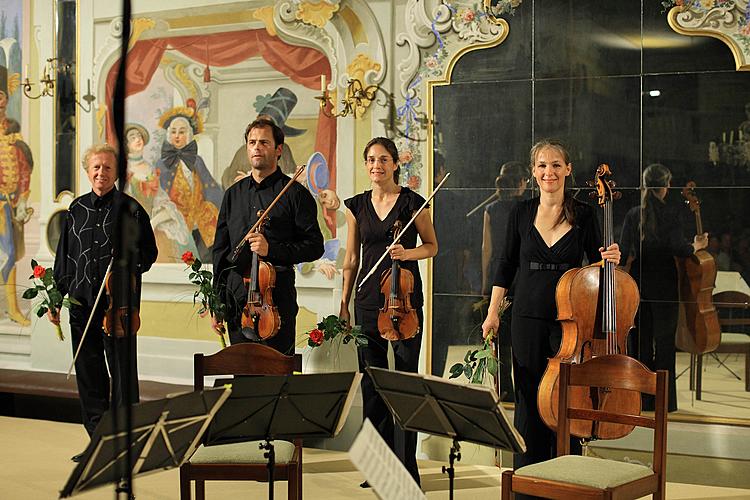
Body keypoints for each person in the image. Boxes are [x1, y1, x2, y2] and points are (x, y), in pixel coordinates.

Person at [481, 139, 621, 476]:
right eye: (542, 166)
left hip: (569, 321)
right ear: (533, 172)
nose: (549, 172)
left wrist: (611, 259)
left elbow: (598, 264)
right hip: (526, 317)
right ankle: (527, 479)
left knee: (564, 398)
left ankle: (564, 476)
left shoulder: (584, 214)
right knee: (529, 398)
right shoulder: (521, 212)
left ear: (568, 169)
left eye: (556, 165)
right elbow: (505, 265)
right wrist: (492, 312)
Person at [339, 137, 438, 487]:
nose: (376, 165)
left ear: (395, 164)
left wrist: (406, 255)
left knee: (407, 382)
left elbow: (432, 246)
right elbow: (351, 259)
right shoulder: (355, 206)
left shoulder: (413, 203)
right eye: (370, 159)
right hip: (368, 301)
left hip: (405, 302)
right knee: (373, 383)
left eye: (383, 159)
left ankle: (407, 468)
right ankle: (378, 467)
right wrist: (344, 302)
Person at [48, 144, 158, 458]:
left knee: (123, 376)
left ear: (117, 172)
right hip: (82, 306)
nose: (101, 173)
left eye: (107, 168)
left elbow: (148, 256)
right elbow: (64, 262)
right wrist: (56, 300)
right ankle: (99, 443)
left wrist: (126, 259)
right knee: (88, 374)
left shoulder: (132, 209)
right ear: (88, 171)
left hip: (119, 308)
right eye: (96, 168)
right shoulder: (76, 210)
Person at [212, 118, 323, 355]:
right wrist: (217, 302)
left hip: (276, 299)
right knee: (242, 373)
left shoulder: (295, 194)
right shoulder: (233, 195)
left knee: (276, 376)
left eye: (264, 142)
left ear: (278, 149)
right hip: (236, 298)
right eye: (252, 142)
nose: (256, 147)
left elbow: (314, 246)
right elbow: (220, 252)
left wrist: (271, 250)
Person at [619, 163, 708, 412]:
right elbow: (679, 248)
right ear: (666, 186)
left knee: (641, 341)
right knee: (665, 342)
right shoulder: (672, 213)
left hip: (639, 282)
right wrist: (697, 246)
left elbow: (624, 251)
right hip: (665, 284)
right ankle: (664, 402)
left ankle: (640, 399)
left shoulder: (634, 214)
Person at [481, 160, 529, 402]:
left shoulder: (491, 209)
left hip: (497, 277)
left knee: (500, 340)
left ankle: (504, 391)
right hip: (523, 276)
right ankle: (522, 392)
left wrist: (483, 283)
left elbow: (486, 250)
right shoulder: (528, 208)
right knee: (521, 337)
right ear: (521, 182)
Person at [156, 105, 223, 262]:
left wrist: (224, 204)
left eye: (182, 132)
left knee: (210, 253)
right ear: (168, 135)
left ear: (189, 135)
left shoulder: (196, 160)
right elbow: (160, 195)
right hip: (178, 220)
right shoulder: (162, 163)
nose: (177, 136)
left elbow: (210, 186)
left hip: (200, 216)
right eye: (173, 132)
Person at [125, 123, 197, 262]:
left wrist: (155, 221)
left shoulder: (149, 168)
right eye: (132, 137)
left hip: (152, 220)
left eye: (139, 136)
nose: (138, 139)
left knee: (170, 238)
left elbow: (161, 199)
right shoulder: (125, 170)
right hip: (133, 223)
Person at [0, 64, 33, 326]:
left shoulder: (14, 133)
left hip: (6, 207)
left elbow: (23, 168)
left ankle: (12, 307)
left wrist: (22, 197)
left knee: (9, 253)